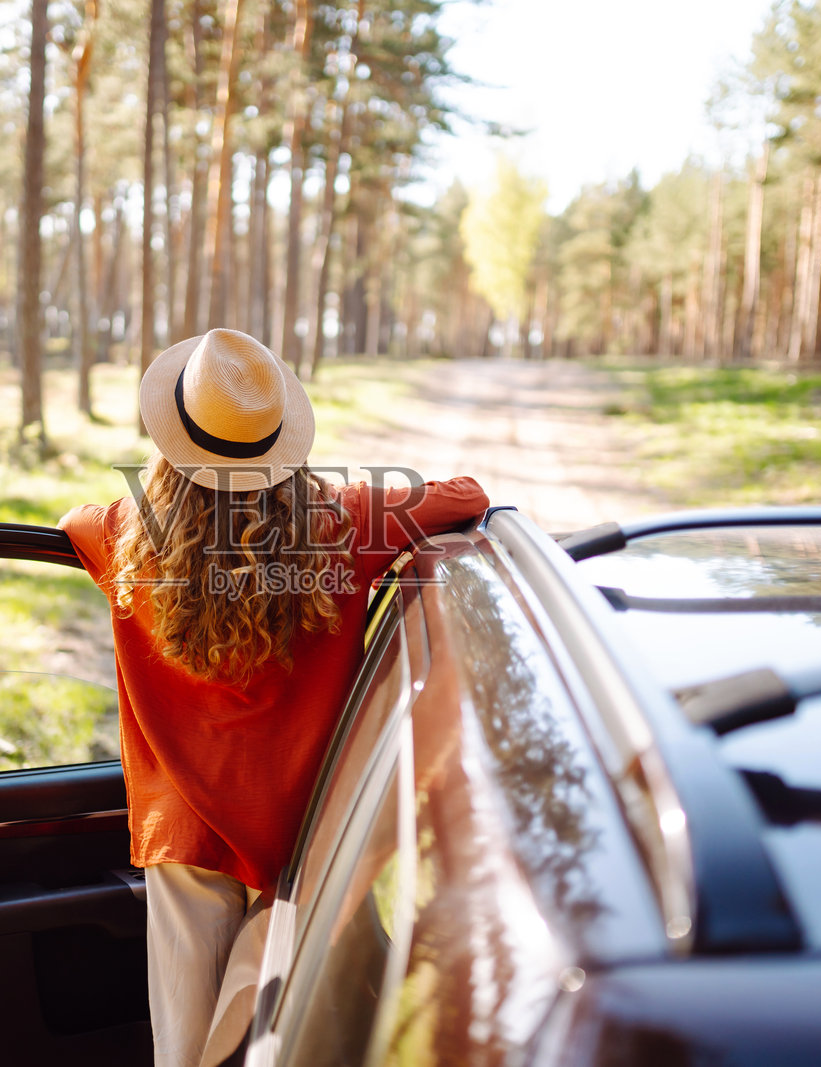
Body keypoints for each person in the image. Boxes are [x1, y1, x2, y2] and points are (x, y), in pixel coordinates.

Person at [58, 328, 489, 1067]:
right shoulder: (345, 524)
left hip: (185, 838)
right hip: (301, 840)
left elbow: (71, 522)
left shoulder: (125, 534)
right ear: (282, 445)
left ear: (172, 443)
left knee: (186, 1049)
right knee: (279, 1045)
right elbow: (468, 496)